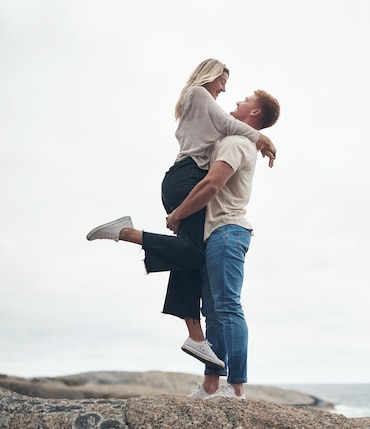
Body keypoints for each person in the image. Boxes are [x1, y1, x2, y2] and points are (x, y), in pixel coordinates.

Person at [86, 59, 276, 370]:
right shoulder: (199, 95)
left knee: (190, 257)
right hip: (187, 178)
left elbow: (228, 129)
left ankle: (195, 336)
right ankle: (125, 232)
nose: (225, 90)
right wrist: (262, 138)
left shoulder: (206, 108)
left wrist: (256, 138)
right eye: (223, 81)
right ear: (210, 75)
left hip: (184, 179)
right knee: (192, 253)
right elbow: (230, 127)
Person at [165, 89, 280, 399]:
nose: (237, 102)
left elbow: (211, 184)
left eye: (244, 101)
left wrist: (177, 215)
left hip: (228, 232)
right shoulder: (235, 139)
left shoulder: (235, 142)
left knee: (227, 308)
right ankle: (211, 385)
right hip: (215, 233)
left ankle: (236, 387)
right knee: (214, 312)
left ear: (254, 113)